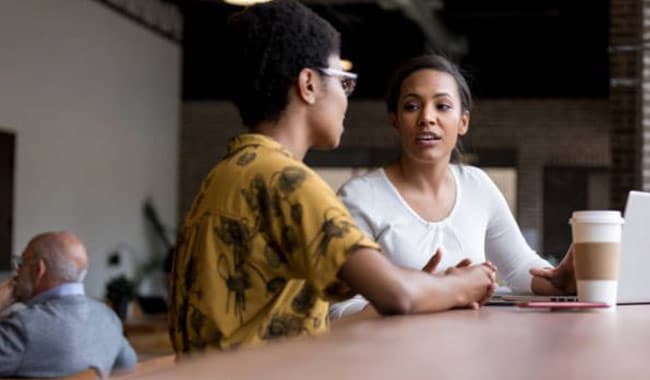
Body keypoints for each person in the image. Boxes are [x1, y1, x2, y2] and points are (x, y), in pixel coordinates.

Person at [169, 0, 497, 354]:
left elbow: (308, 315)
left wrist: (426, 288)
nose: (345, 98)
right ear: (308, 84)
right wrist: (464, 284)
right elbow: (397, 296)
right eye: (343, 81)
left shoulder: (228, 173)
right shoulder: (286, 180)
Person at [330, 54, 576, 318]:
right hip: (392, 353)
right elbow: (340, 311)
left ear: (463, 122)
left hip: (467, 350)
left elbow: (518, 267)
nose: (427, 117)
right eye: (411, 106)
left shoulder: (477, 185)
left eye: (443, 106)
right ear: (395, 121)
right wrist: (414, 296)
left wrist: (557, 281)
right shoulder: (360, 197)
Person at [0, 232, 137, 378]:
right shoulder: (107, 316)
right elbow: (128, 366)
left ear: (38, 270)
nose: (17, 272)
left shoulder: (24, 327)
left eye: (21, 263)